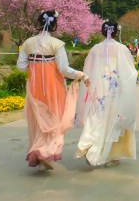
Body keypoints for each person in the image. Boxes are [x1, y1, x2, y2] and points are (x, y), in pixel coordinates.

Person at [17, 10, 90, 170]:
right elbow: (64, 69)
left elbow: (21, 67)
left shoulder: (28, 43)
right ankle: (45, 150)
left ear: (39, 22)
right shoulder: (57, 44)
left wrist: (36, 66)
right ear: (54, 25)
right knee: (55, 118)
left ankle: (37, 151)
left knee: (38, 120)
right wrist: (81, 75)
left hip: (35, 87)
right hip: (54, 88)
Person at [75, 21, 137, 167]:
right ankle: (110, 155)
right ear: (116, 32)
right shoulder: (122, 49)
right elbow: (130, 71)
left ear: (103, 32)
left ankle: (88, 144)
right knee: (113, 121)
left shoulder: (95, 49)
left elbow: (87, 70)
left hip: (99, 88)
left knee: (96, 117)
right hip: (116, 88)